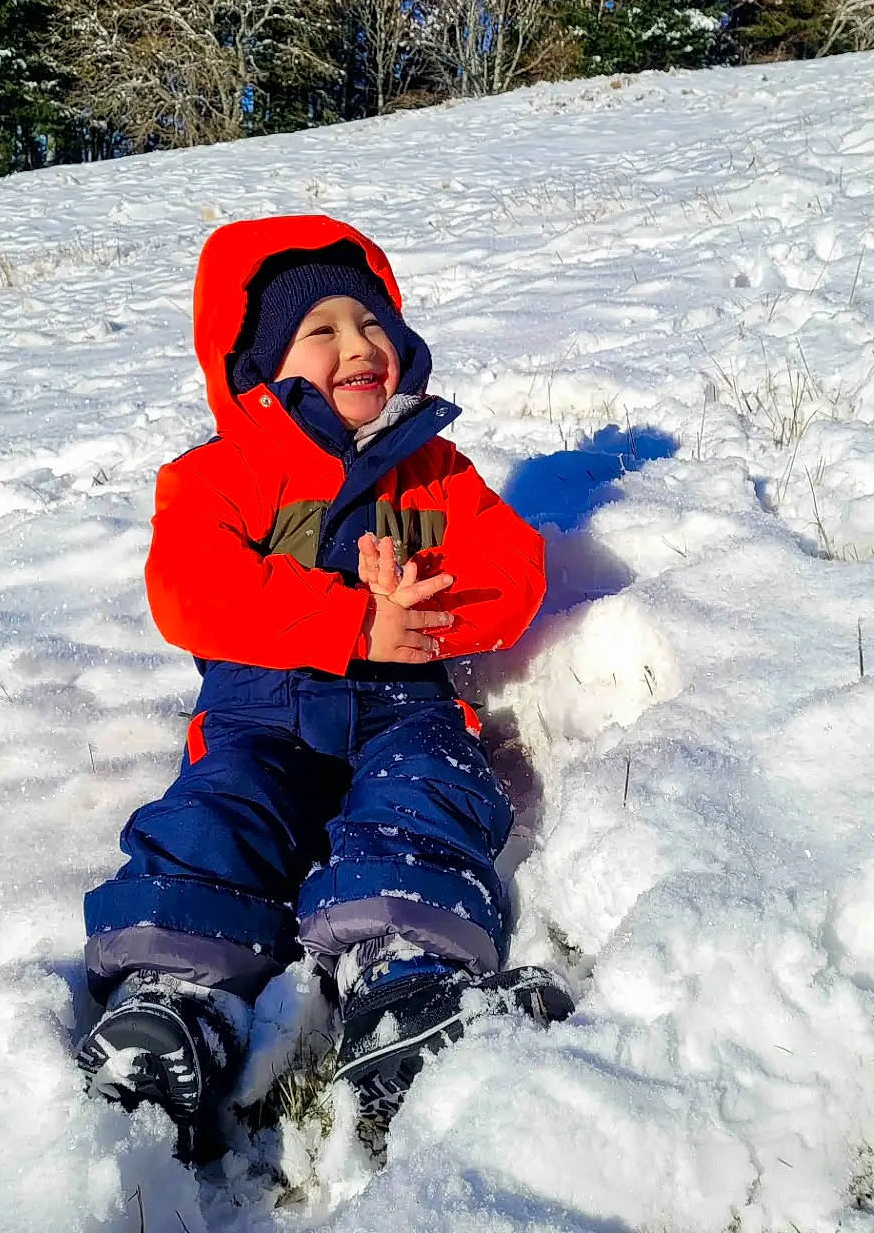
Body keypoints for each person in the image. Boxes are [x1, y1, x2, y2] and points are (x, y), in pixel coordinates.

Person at [76, 215, 570, 1160]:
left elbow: (514, 570)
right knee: (222, 810)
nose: (358, 344)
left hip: (402, 704)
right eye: (323, 330)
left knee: (428, 785)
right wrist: (351, 620)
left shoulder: (433, 468)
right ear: (263, 364)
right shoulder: (220, 474)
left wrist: (426, 611)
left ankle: (407, 978)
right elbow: (188, 591)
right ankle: (175, 1000)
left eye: (372, 321)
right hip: (261, 709)